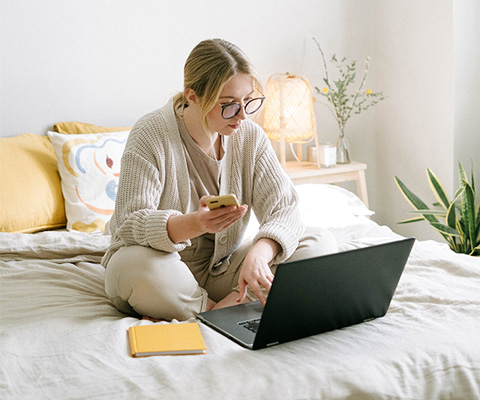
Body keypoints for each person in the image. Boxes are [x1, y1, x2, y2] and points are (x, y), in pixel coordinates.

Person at [102, 38, 338, 321]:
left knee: (318, 242)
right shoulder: (150, 134)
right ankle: (229, 309)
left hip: (222, 271)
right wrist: (195, 223)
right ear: (193, 96)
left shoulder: (249, 136)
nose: (241, 116)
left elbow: (284, 209)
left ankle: (219, 311)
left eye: (249, 102)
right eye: (228, 105)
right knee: (132, 266)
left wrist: (260, 254)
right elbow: (129, 223)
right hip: (163, 270)